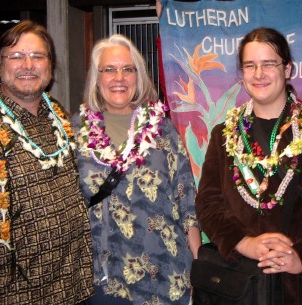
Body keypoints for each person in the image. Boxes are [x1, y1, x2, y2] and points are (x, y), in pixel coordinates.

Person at [195, 27, 302, 305]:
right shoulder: (223, 134)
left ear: (287, 69)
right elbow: (209, 204)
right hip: (241, 284)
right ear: (241, 74)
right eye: (250, 65)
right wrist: (245, 243)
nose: (259, 74)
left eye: (269, 64)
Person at [0, 20, 93, 305]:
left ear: (50, 66)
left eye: (38, 56)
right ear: (0, 66)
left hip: (72, 289)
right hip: (8, 295)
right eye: (16, 56)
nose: (28, 64)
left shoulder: (58, 116)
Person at [73, 34, 201, 305]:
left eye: (127, 69)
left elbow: (187, 202)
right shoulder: (75, 132)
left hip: (167, 275)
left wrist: (198, 269)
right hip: (104, 280)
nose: (118, 77)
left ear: (138, 76)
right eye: (109, 69)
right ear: (97, 77)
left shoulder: (162, 129)